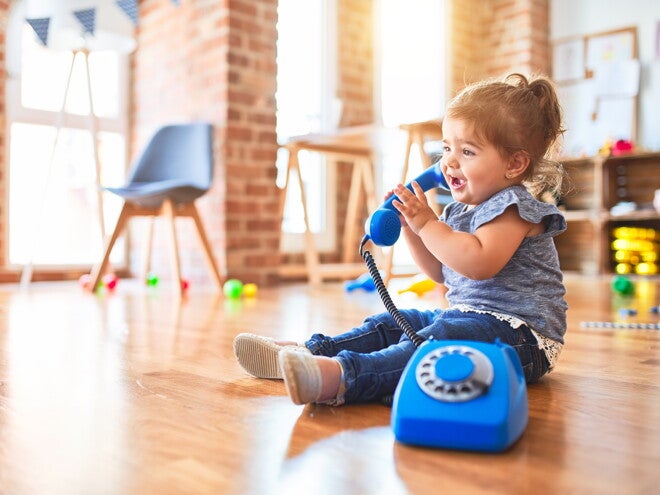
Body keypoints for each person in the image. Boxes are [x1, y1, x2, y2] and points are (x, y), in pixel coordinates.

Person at [234, 73, 568, 406]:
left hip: (524, 340)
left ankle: (340, 377)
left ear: (515, 163)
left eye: (467, 151)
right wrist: (410, 226)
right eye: (447, 147)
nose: (449, 161)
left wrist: (426, 224)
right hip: (469, 320)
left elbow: (478, 263)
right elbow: (441, 272)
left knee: (436, 341)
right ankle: (307, 352)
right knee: (394, 322)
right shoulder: (457, 212)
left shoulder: (514, 208)